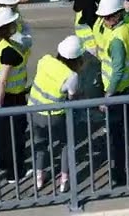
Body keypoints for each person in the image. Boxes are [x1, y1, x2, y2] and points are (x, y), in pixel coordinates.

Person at [94, 0, 129, 188]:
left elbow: (117, 70)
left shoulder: (117, 39)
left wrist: (107, 96)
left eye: (108, 17)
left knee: (116, 135)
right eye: (103, 17)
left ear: (118, 15)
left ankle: (119, 173)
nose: (105, 20)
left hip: (117, 90)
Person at [27, 35, 86, 192]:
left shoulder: (45, 60)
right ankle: (64, 180)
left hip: (32, 111)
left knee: (40, 143)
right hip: (54, 116)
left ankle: (39, 177)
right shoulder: (71, 76)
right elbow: (72, 98)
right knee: (66, 143)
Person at [0, 7, 31, 184]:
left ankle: (1, 164)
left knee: (2, 133)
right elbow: (3, 81)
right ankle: (15, 173)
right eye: (12, 23)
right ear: (6, 27)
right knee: (16, 136)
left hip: (1, 93)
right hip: (11, 97)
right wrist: (0, 104)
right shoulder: (8, 51)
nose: (15, 25)